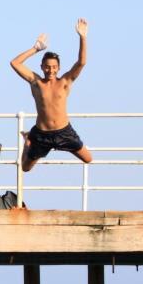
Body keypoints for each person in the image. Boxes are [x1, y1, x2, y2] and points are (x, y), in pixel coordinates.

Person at [9, 19, 92, 172]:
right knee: (25, 168)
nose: (51, 70)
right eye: (47, 67)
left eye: (54, 67)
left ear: (59, 68)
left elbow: (81, 62)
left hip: (64, 132)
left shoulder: (65, 81)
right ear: (42, 67)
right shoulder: (36, 82)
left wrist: (83, 38)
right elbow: (15, 63)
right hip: (42, 134)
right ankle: (28, 139)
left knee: (88, 159)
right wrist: (35, 48)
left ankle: (30, 138)